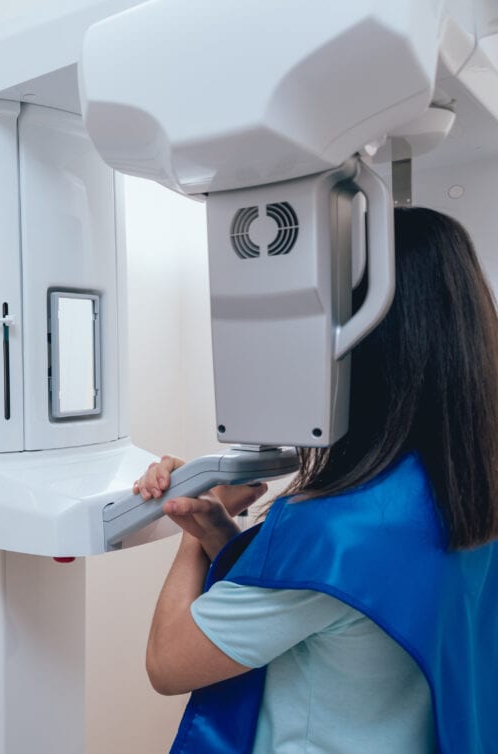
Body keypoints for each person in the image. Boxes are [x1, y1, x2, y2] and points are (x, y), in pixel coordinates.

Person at [134, 206, 498, 753]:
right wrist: (219, 532)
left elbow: (168, 662)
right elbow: (340, 609)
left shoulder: (337, 526)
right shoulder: (469, 488)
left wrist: (189, 540)